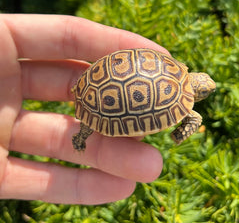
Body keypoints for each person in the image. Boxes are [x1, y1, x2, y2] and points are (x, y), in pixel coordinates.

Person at [0, 14, 165, 205]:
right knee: (92, 123)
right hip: (107, 99)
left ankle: (81, 135)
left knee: (92, 122)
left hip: (96, 85)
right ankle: (81, 136)